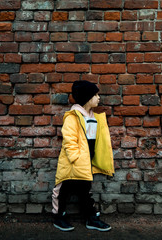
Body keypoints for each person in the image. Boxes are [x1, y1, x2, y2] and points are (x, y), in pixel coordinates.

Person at [51, 80, 115, 232]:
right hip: (72, 163)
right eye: (95, 95)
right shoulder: (73, 117)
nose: (98, 98)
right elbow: (69, 140)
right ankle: (59, 216)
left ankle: (90, 218)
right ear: (87, 97)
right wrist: (75, 158)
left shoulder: (93, 117)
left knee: (85, 191)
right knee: (62, 190)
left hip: (85, 163)